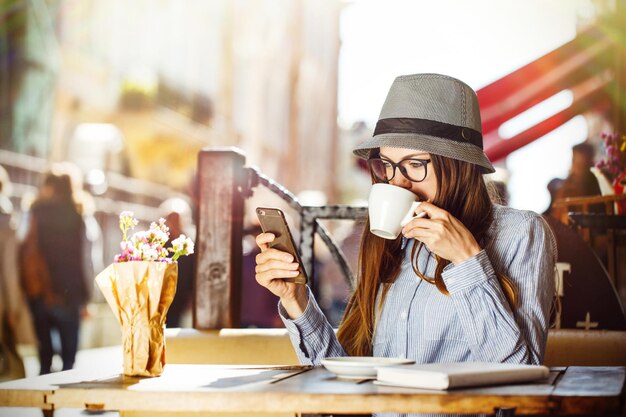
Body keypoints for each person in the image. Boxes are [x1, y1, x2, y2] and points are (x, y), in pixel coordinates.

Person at [254, 74, 557, 373]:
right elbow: (349, 379)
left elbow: (522, 374)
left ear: (459, 165)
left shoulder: (521, 233)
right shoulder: (390, 240)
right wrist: (297, 300)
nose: (396, 182)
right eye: (387, 165)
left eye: (414, 164)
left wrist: (467, 261)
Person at [20, 172, 90, 374]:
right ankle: (65, 399)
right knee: (69, 361)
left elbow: (23, 249)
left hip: (39, 290)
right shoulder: (78, 215)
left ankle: (46, 403)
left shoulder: (35, 212)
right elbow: (86, 257)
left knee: (44, 356)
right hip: (70, 293)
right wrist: (86, 296)